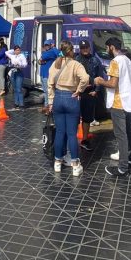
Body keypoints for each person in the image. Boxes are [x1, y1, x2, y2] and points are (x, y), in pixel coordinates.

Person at [94, 37, 131, 178]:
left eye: (107, 47)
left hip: (118, 103)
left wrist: (100, 81)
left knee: (121, 135)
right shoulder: (127, 59)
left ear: (111, 47)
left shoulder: (115, 62)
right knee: (130, 131)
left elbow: (113, 83)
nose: (106, 50)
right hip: (129, 102)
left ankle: (122, 168)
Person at [48, 41, 90, 176]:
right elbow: (85, 78)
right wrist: (79, 90)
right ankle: (75, 164)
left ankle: (58, 162)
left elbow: (50, 83)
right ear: (71, 51)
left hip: (58, 98)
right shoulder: (76, 64)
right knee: (72, 133)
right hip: (71, 97)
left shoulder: (55, 64)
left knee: (60, 132)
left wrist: (50, 101)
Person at [75, 40, 105, 149]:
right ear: (80, 48)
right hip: (78, 92)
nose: (85, 49)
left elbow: (100, 76)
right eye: (83, 48)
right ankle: (72, 139)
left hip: (89, 93)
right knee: (75, 117)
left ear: (89, 48)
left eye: (86, 47)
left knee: (87, 117)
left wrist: (96, 90)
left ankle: (85, 139)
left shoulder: (95, 60)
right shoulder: (76, 60)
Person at [39, 41, 61, 109]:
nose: (46, 46)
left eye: (48, 45)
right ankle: (47, 106)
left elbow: (42, 58)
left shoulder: (51, 52)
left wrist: (53, 47)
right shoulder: (48, 52)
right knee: (46, 91)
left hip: (47, 75)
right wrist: (40, 61)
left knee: (48, 92)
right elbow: (39, 61)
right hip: (43, 74)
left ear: (51, 45)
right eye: (45, 45)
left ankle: (48, 107)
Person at [5, 45, 28, 110]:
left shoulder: (22, 56)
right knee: (15, 89)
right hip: (13, 72)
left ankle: (21, 104)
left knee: (19, 89)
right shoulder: (13, 55)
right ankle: (16, 103)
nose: (18, 51)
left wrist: (20, 65)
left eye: (19, 50)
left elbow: (25, 64)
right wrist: (13, 50)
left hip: (19, 72)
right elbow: (6, 52)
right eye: (16, 50)